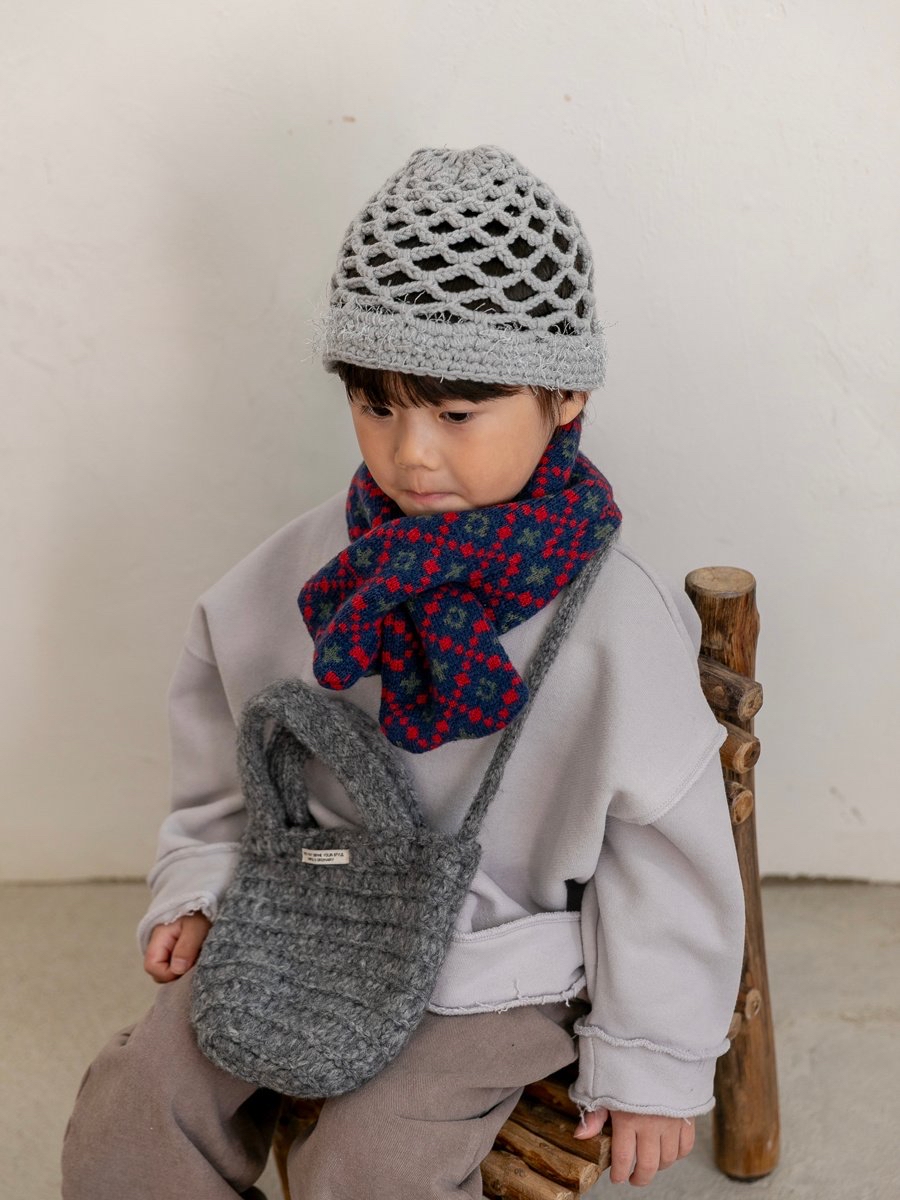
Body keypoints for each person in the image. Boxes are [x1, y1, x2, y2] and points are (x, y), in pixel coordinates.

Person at [61, 144, 745, 1198]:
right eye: (377, 406)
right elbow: (223, 776)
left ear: (567, 395)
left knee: (372, 1162)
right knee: (136, 1100)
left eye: (456, 413)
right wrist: (200, 886)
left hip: (493, 972)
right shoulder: (297, 574)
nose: (412, 452)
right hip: (302, 918)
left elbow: (667, 866)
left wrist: (652, 1060)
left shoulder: (616, 627)